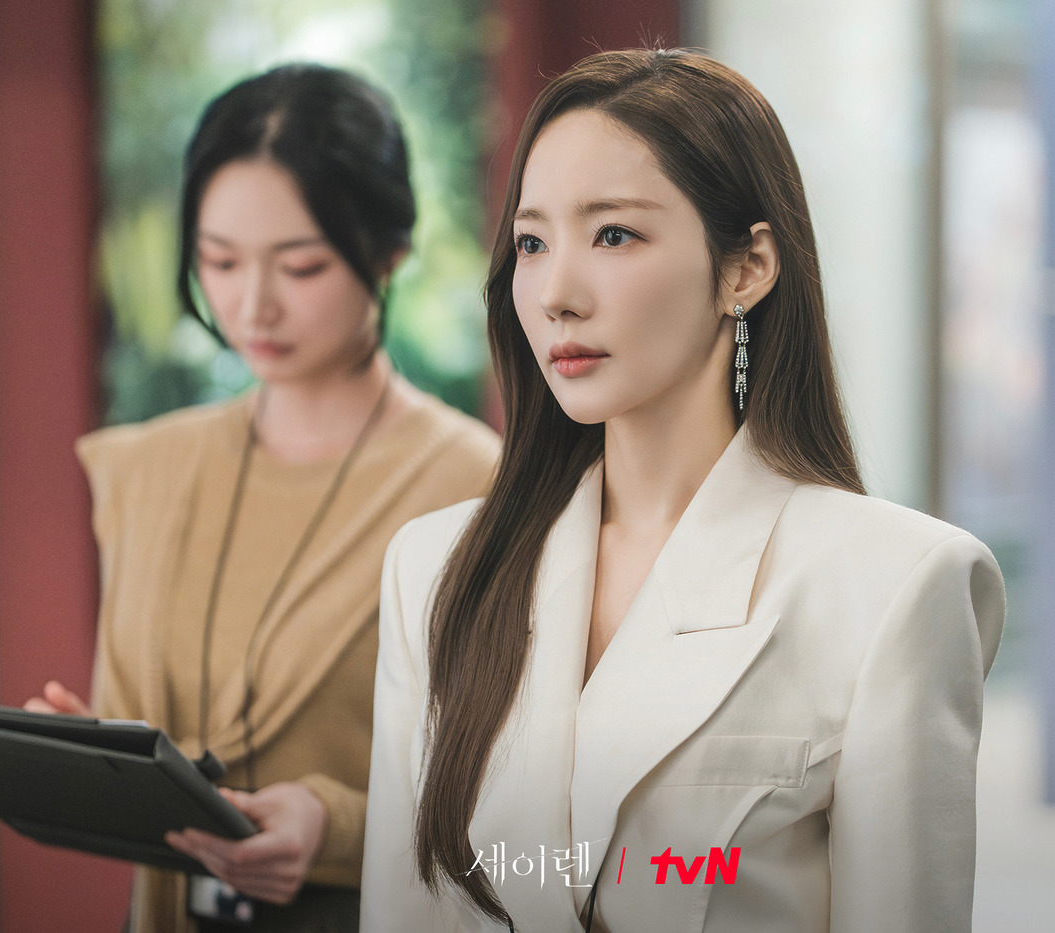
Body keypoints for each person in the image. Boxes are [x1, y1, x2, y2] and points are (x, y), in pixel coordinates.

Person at [360, 48, 1004, 933]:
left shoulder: (897, 586)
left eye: (613, 235)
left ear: (747, 268)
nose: (555, 294)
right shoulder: (435, 567)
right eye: (532, 243)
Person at [25, 64, 499, 932]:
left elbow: (519, 795)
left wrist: (337, 824)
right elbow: (149, 722)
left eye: (302, 265)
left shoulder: (476, 487)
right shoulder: (149, 469)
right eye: (219, 260)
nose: (253, 305)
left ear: (390, 253)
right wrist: (98, 754)